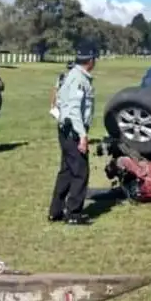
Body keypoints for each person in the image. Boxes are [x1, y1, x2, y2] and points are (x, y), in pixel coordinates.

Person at [48, 49, 97, 225]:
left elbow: (60, 101)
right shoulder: (78, 79)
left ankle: (56, 211)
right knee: (80, 172)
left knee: (66, 172)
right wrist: (82, 135)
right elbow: (74, 109)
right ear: (90, 60)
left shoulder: (70, 76)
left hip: (65, 129)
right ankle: (74, 214)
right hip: (73, 131)